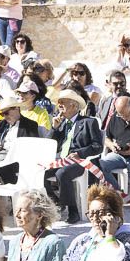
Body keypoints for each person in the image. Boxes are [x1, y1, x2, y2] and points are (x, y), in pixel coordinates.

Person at [44, 89, 104, 225]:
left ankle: (73, 210)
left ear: (74, 105)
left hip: (80, 160)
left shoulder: (89, 122)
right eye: (58, 103)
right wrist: (54, 128)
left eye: (62, 103)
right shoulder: (61, 123)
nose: (59, 106)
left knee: (62, 173)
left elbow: (97, 146)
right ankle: (57, 202)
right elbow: (49, 144)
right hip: (61, 159)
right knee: (41, 172)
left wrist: (79, 153)